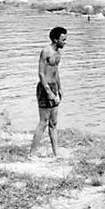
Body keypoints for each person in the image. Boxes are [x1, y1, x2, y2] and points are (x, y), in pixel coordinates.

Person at [29, 26, 67, 159]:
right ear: (56, 39)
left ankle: (56, 154)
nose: (65, 42)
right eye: (63, 39)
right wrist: (48, 92)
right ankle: (32, 154)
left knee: (54, 123)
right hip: (44, 88)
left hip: (54, 86)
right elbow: (41, 73)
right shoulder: (46, 51)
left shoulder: (58, 54)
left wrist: (59, 88)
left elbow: (56, 73)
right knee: (43, 122)